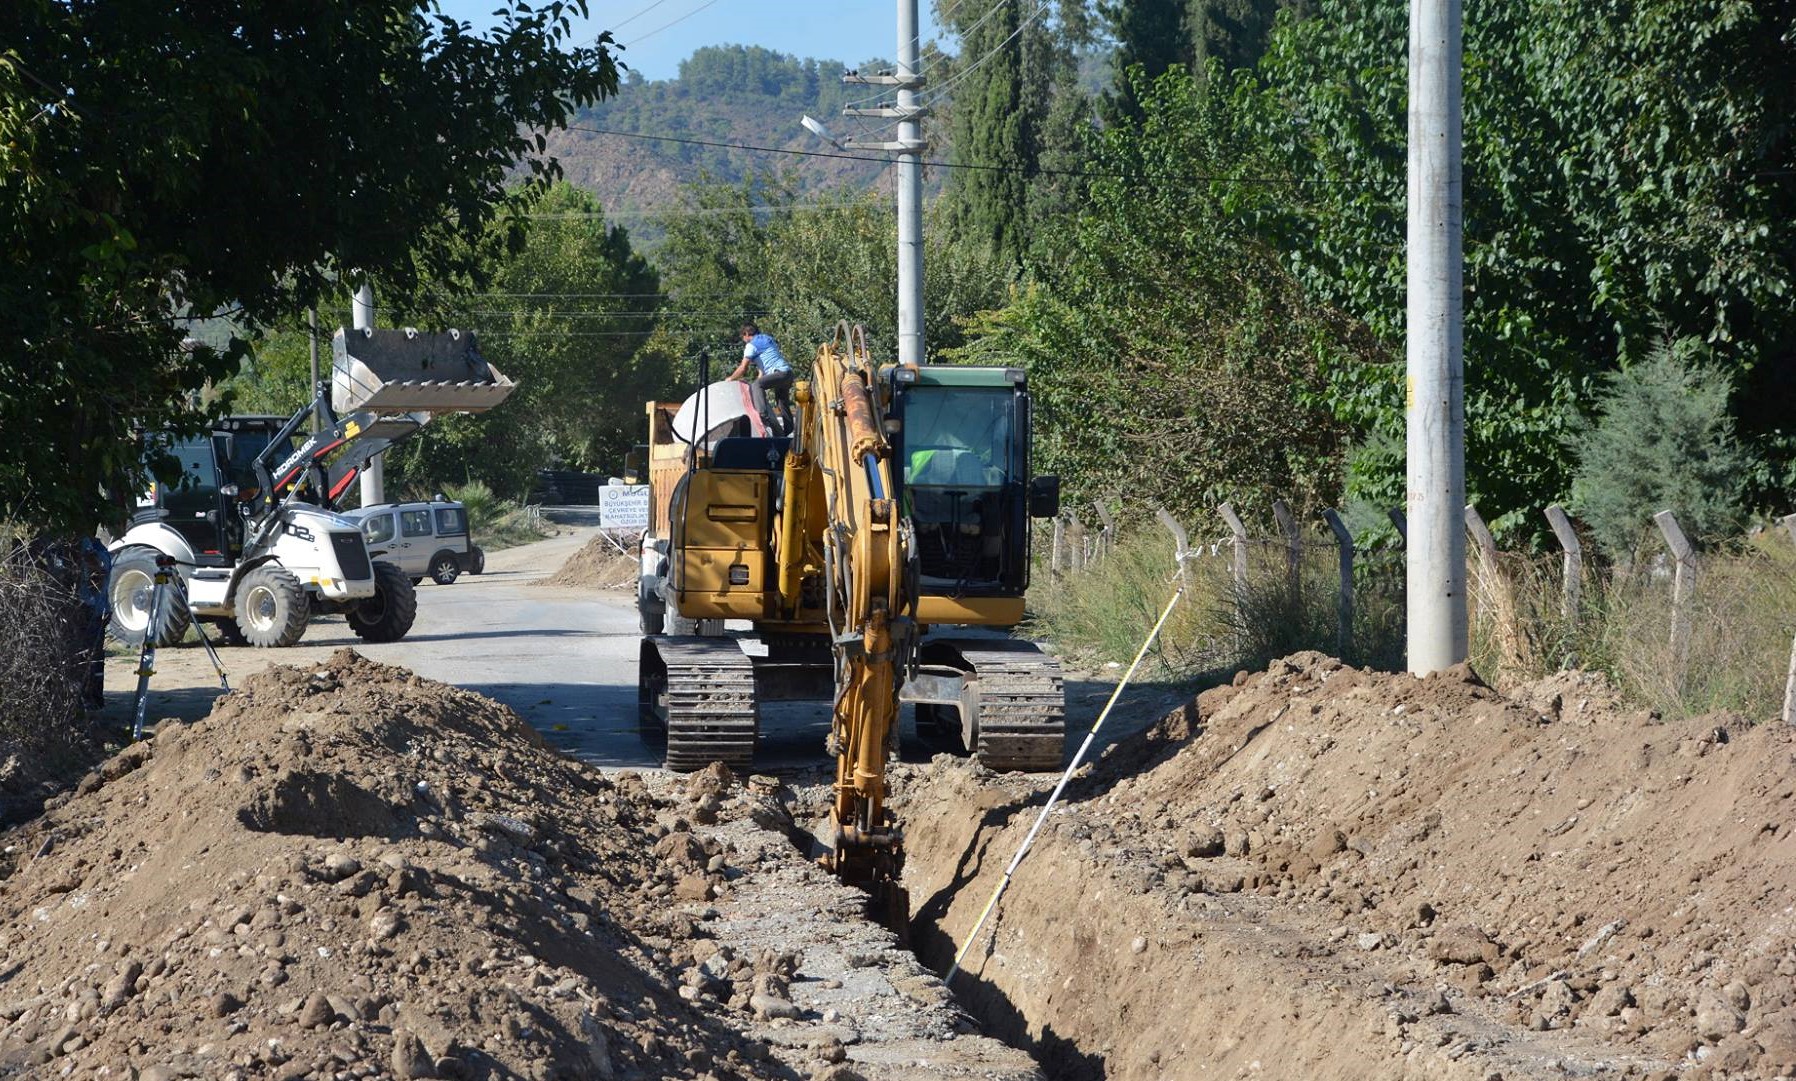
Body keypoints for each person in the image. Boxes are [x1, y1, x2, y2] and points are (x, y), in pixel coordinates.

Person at [727, 323, 794, 435]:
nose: (744, 341)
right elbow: (763, 369)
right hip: (787, 374)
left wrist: (730, 378)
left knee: (756, 385)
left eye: (743, 337)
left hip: (779, 373)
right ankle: (786, 433)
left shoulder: (751, 345)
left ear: (747, 334)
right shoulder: (768, 339)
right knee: (782, 404)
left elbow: (743, 368)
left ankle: (763, 415)